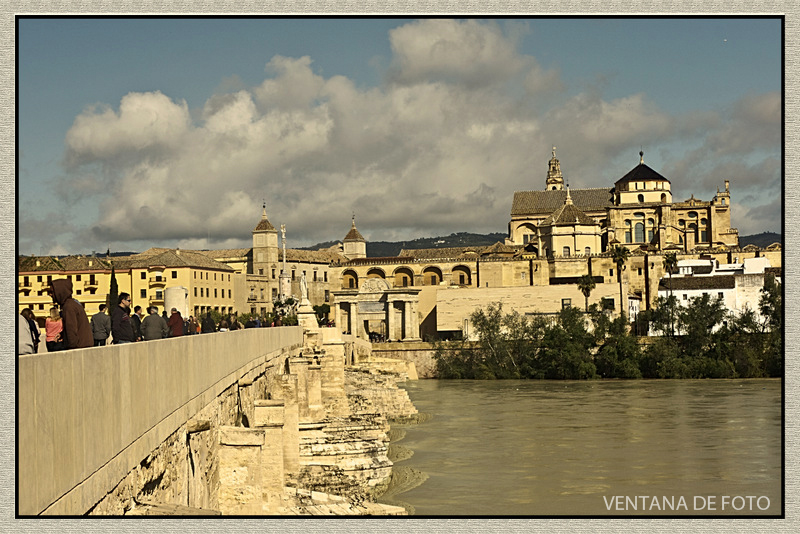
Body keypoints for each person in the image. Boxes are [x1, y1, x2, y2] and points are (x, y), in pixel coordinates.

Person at [49, 279, 93, 349]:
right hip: (84, 346)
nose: (50, 295)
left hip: (79, 348)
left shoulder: (68, 307)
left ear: (60, 292)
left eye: (52, 292)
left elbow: (71, 331)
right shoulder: (74, 303)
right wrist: (62, 334)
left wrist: (70, 349)